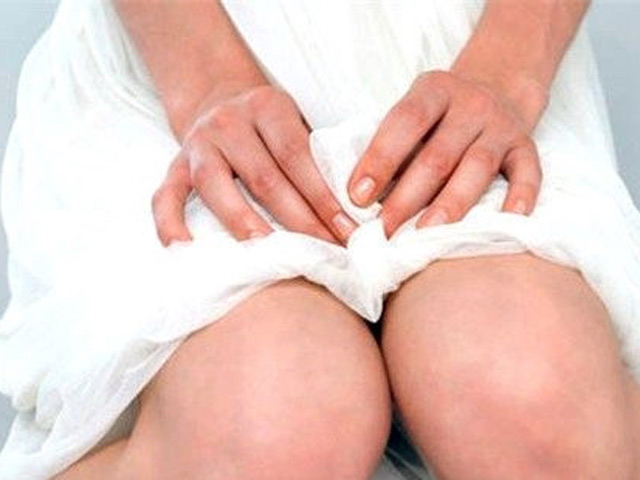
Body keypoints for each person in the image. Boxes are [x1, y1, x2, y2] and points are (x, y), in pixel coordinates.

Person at [2, 0, 640, 479]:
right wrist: (207, 83)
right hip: (172, 57)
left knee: (533, 406)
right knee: (273, 427)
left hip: (472, 41)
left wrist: (510, 67)